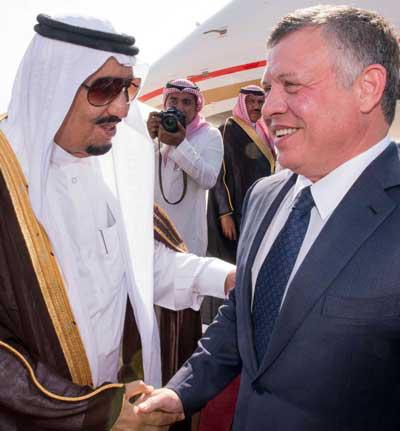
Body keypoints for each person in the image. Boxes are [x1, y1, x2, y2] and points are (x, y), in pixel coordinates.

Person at [135, 5, 400, 430]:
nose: (270, 107)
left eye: (291, 85)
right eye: (268, 88)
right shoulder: (264, 196)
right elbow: (242, 313)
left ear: (367, 87)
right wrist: (182, 393)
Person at [0, 14, 234, 430]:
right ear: (53, 84)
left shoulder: (110, 170)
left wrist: (224, 277)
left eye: (129, 88)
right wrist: (92, 412)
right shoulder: (8, 178)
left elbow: (143, 266)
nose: (122, 108)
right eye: (104, 88)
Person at [148, 79, 223, 257]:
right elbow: (133, 172)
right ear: (165, 104)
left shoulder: (210, 135)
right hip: (152, 233)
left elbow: (208, 180)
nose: (179, 107)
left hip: (187, 234)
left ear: (197, 107)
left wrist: (180, 144)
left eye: (187, 102)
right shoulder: (156, 131)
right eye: (173, 101)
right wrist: (146, 138)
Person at [207, 85, 276, 265]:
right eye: (251, 101)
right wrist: (225, 213)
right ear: (242, 103)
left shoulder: (266, 130)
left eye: (260, 102)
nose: (256, 106)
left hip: (260, 204)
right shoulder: (227, 129)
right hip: (237, 207)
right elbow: (219, 174)